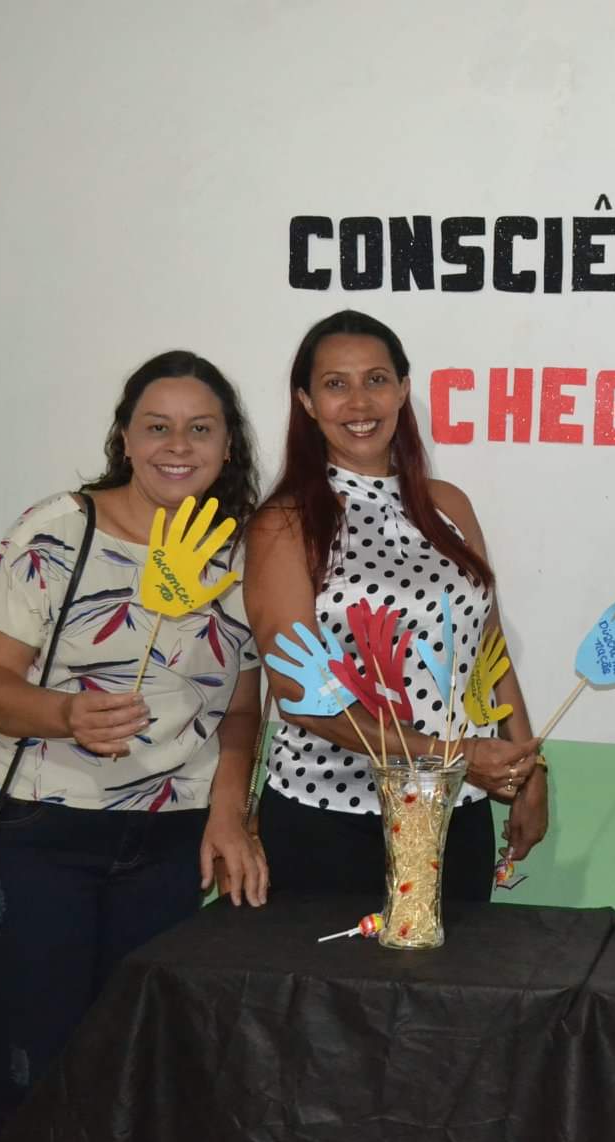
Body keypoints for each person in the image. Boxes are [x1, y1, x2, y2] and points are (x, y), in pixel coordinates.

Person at [0, 351, 266, 1142]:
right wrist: (65, 713)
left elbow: (241, 703)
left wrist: (230, 807)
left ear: (228, 444)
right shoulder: (60, 530)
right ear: (125, 437)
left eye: (200, 429)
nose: (178, 446)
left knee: (135, 1079)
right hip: (41, 836)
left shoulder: (238, 554)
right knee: (32, 1080)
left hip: (171, 846)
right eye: (157, 427)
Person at [245, 309, 546, 899]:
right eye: (336, 384)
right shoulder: (284, 523)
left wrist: (530, 768)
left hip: (455, 812)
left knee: (462, 963)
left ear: (404, 389)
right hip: (333, 818)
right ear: (307, 401)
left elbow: (487, 647)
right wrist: (454, 757)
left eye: (376, 380)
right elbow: (299, 696)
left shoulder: (448, 505)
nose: (360, 402)